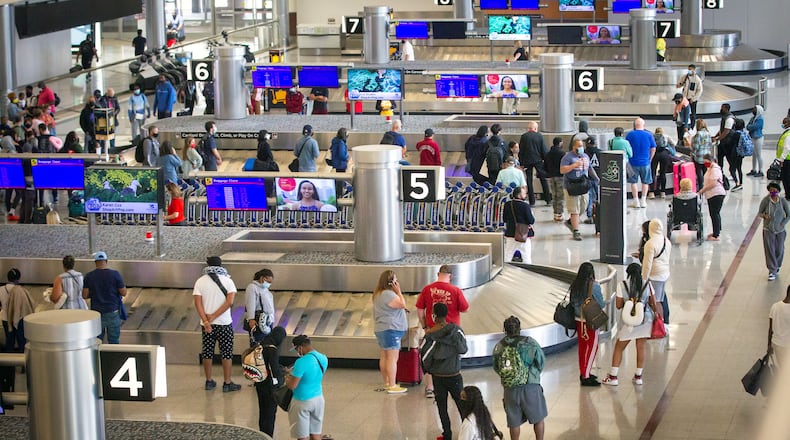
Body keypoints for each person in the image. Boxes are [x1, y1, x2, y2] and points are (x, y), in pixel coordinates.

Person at [416, 265, 470, 399]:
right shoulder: (455, 290)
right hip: (451, 331)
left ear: (438, 274)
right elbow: (465, 308)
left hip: (432, 330)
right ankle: (455, 387)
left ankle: (430, 387)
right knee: (453, 357)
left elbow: (420, 309)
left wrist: (424, 326)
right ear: (450, 276)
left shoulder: (427, 289)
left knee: (430, 356)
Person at [602, 262, 660, 386]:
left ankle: (613, 377)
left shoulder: (621, 285)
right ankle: (638, 376)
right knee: (641, 347)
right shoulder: (647, 284)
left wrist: (628, 303)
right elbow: (653, 302)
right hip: (644, 320)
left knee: (619, 347)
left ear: (628, 273)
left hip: (627, 322)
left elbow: (618, 305)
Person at [492, 315, 547, 440]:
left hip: (510, 389)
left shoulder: (499, 346)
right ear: (519, 328)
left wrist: (509, 376)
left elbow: (496, 367)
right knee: (538, 418)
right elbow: (541, 362)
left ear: (505, 330)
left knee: (514, 422)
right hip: (530, 386)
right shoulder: (530, 343)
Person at [420, 303, 468, 440]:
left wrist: (428, 369)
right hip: (455, 375)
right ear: (446, 314)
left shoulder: (429, 335)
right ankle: (467, 434)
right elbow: (463, 349)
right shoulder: (456, 331)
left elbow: (424, 357)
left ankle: (447, 435)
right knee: (462, 406)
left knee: (442, 407)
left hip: (438, 376)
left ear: (433, 315)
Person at [193, 256, 242, 392]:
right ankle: (227, 383)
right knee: (226, 352)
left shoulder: (200, 281)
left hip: (206, 325)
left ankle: (209, 381)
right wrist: (214, 316)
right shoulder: (228, 281)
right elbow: (229, 302)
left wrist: (206, 321)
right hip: (224, 323)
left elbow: (197, 303)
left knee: (207, 352)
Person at [286, 334, 329, 440]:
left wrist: (288, 377)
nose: (297, 352)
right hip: (318, 399)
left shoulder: (301, 362)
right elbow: (312, 375)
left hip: (302, 401)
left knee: (302, 436)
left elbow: (292, 385)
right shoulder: (323, 358)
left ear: (300, 347)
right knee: (315, 434)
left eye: (296, 349)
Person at [372, 270, 408, 394]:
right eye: (395, 280)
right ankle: (392, 385)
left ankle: (387, 382)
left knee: (384, 356)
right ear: (390, 282)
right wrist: (399, 292)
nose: (397, 282)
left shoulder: (378, 294)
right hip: (391, 329)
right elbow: (402, 304)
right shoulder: (388, 294)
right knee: (392, 358)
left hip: (381, 329)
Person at [569, 262, 605, 386]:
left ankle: (584, 371)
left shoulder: (575, 284)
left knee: (583, 347)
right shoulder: (594, 286)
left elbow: (573, 302)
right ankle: (586, 375)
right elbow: (601, 303)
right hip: (590, 321)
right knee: (593, 347)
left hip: (579, 320)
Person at [82, 251, 127, 344]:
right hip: (112, 311)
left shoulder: (89, 276)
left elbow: (84, 295)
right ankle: (114, 358)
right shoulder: (115, 274)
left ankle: (98, 358)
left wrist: (94, 292)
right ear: (106, 261)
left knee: (97, 341)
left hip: (97, 313)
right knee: (114, 340)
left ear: (95, 262)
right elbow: (123, 292)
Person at [560, 139, 599, 241]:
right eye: (578, 146)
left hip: (583, 185)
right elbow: (562, 170)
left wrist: (597, 179)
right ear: (573, 147)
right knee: (575, 210)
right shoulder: (567, 157)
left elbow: (590, 169)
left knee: (583, 206)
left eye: (582, 145)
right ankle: (576, 231)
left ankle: (571, 221)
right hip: (571, 186)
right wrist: (574, 165)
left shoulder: (585, 156)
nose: (581, 148)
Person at [254, 326, 286, 436]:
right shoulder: (272, 349)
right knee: (270, 413)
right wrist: (280, 378)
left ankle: (262, 434)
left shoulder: (260, 345)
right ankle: (268, 436)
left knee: (262, 411)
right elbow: (273, 370)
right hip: (269, 387)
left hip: (259, 384)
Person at [642, 218, 672, 326]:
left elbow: (647, 264)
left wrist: (644, 278)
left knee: (657, 301)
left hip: (655, 276)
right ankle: (663, 321)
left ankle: (661, 324)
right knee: (661, 297)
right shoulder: (666, 240)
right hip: (665, 273)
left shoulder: (650, 244)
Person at [758, 182, 790, 281]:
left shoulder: (782, 201)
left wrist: (783, 223)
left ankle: (777, 265)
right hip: (768, 229)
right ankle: (772, 269)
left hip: (780, 230)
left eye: (774, 190)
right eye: (771, 190)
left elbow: (788, 214)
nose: (773, 192)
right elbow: (760, 212)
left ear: (778, 191)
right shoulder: (766, 200)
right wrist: (765, 216)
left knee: (779, 249)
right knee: (770, 250)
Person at [626, 117, 657, 208]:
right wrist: (650, 159)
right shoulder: (649, 135)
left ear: (635, 125)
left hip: (633, 162)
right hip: (645, 162)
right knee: (645, 182)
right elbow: (653, 148)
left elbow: (627, 147)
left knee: (633, 182)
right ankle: (643, 200)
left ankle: (636, 201)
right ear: (643, 125)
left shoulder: (630, 135)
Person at [2, 268, 35, 352]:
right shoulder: (21, 291)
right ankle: (22, 360)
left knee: (9, 341)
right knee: (21, 341)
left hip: (6, 319)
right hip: (19, 318)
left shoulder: (1, 289)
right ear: (17, 279)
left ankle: (9, 362)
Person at [519, 121, 551, 206]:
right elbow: (543, 149)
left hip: (527, 161)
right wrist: (546, 160)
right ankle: (548, 199)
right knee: (543, 179)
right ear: (536, 128)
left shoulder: (524, 136)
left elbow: (521, 151)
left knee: (529, 180)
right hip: (538, 160)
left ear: (529, 128)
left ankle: (532, 201)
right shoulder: (539, 136)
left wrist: (521, 162)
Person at [697, 155, 727, 241]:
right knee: (715, 213)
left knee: (714, 214)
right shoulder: (710, 168)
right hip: (712, 194)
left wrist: (702, 190)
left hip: (716, 194)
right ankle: (716, 231)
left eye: (705, 161)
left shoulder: (715, 169)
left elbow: (713, 183)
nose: (704, 163)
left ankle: (716, 234)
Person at [503, 186, 535, 264]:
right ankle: (528, 273)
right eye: (524, 194)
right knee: (526, 256)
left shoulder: (507, 204)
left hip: (510, 233)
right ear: (519, 195)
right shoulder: (525, 206)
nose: (526, 195)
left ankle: (505, 271)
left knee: (508, 254)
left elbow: (504, 219)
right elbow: (531, 220)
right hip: (523, 234)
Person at [246, 269, 276, 341]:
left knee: (267, 343)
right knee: (258, 344)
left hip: (267, 321)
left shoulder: (265, 289)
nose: (269, 284)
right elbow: (250, 304)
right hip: (258, 321)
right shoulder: (252, 287)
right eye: (268, 281)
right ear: (262, 278)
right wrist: (251, 319)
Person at [649, 127, 674, 199]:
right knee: (663, 173)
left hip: (655, 154)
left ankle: (651, 192)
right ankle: (663, 192)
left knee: (653, 172)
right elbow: (673, 144)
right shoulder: (666, 136)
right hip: (664, 154)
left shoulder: (652, 137)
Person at [545, 137, 566, 222]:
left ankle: (555, 213)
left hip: (551, 176)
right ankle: (560, 213)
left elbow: (545, 166)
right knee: (560, 195)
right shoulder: (562, 153)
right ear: (560, 143)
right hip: (560, 176)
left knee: (554, 195)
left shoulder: (548, 154)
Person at [769, 287, 790, 368]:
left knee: (782, 367)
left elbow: (770, 329)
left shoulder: (775, 306)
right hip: (787, 345)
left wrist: (769, 345)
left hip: (776, 343)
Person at [712, 103, 736, 168]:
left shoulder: (729, 119)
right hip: (723, 142)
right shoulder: (724, 117)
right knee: (719, 157)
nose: (721, 109)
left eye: (722, 108)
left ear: (726, 109)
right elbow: (722, 130)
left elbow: (726, 131)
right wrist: (716, 136)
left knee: (730, 159)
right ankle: (720, 171)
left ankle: (732, 172)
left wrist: (717, 139)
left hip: (728, 143)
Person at [691, 119, 713, 190]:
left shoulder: (698, 134)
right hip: (707, 156)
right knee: (705, 170)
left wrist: (692, 154)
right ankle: (707, 185)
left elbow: (696, 146)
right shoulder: (708, 133)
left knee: (699, 171)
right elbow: (710, 145)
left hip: (699, 156)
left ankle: (701, 187)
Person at [747, 105, 765, 178]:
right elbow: (748, 126)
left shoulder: (760, 119)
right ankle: (754, 169)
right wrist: (751, 127)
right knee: (754, 155)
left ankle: (761, 170)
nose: (753, 110)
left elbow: (755, 127)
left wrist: (751, 127)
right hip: (752, 137)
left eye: (755, 109)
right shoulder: (752, 118)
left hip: (758, 138)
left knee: (758, 154)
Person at [778, 117, 790, 199]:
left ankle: (788, 194)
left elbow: (787, 148)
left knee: (786, 178)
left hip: (787, 160)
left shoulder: (787, 135)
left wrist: (781, 159)